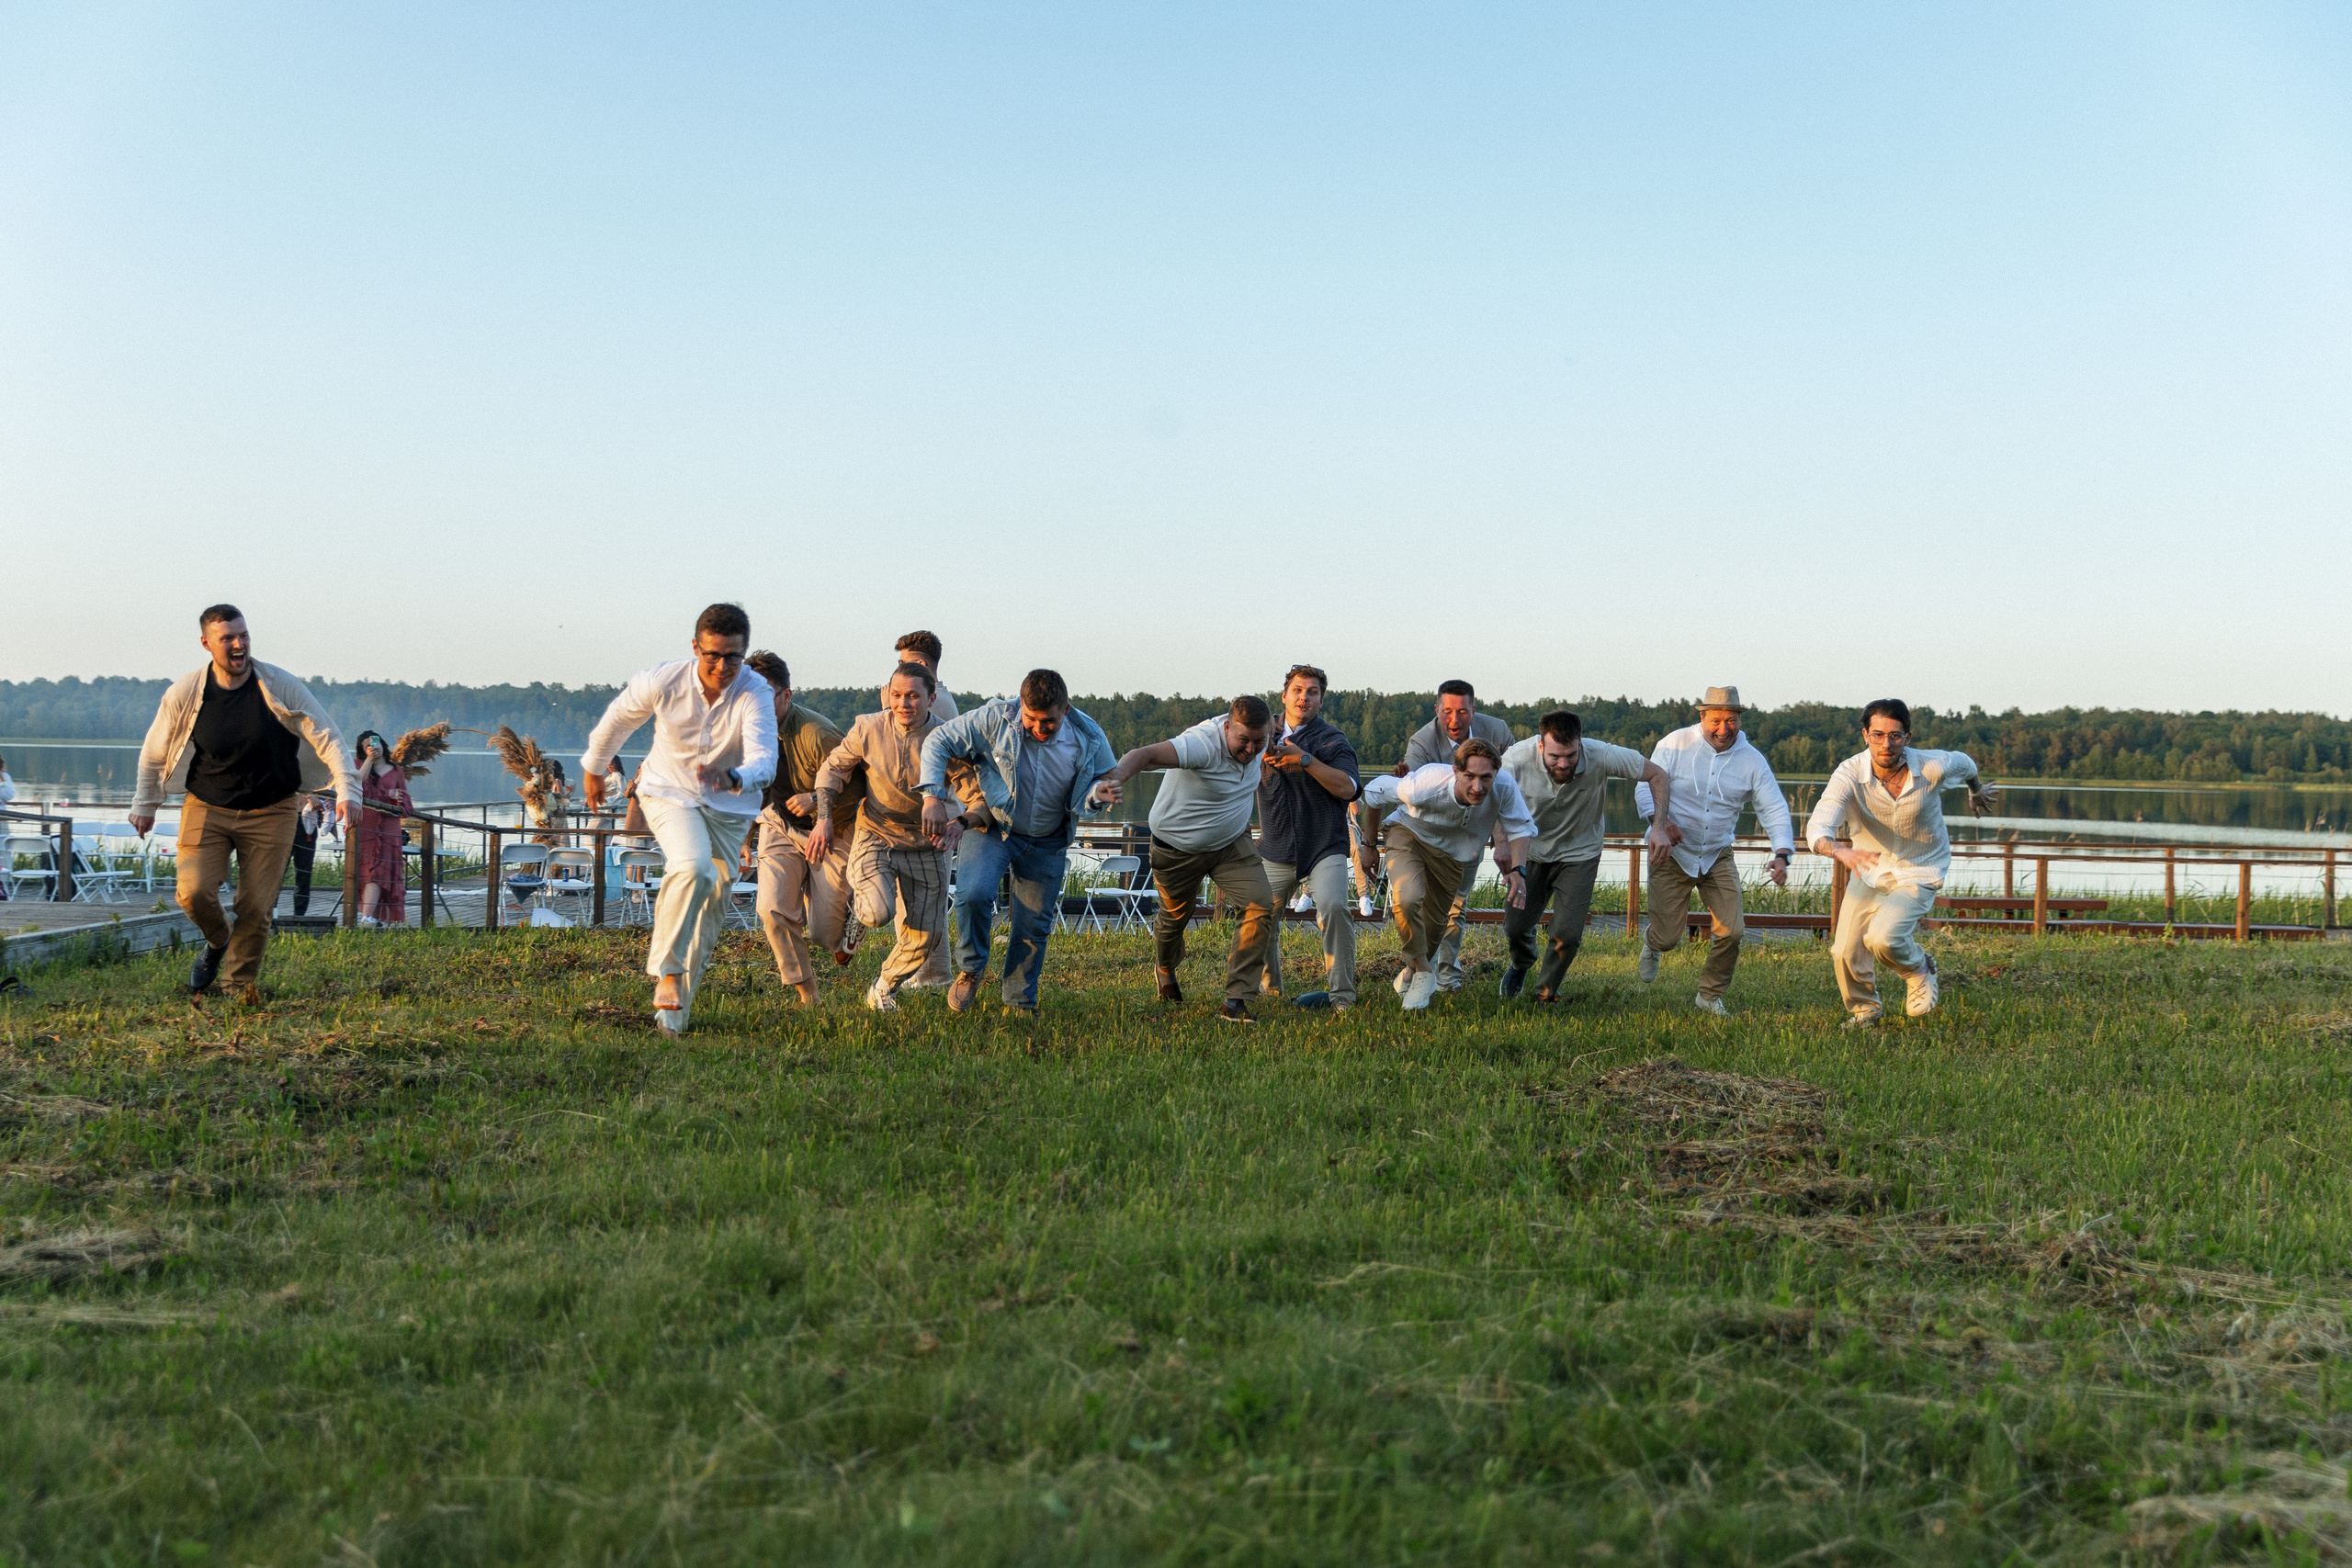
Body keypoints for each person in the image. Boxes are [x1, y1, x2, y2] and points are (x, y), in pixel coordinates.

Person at [130, 604, 358, 998]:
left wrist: (347, 788)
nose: (239, 645)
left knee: (256, 906)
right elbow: (154, 751)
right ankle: (218, 940)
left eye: (244, 635)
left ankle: (237, 989)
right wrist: (145, 804)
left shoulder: (279, 684)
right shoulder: (186, 693)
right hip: (207, 805)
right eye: (228, 638)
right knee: (193, 890)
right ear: (206, 644)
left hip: (272, 809)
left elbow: (328, 735)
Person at [581, 604, 776, 1036]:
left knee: (709, 915)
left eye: (733, 657)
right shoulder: (663, 680)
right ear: (695, 648)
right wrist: (594, 767)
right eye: (713, 655)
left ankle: (672, 1021)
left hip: (730, 807)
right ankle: (666, 970)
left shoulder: (754, 691)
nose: (723, 666)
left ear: (743, 653)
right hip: (668, 792)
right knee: (692, 867)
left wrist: (734, 775)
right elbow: (618, 719)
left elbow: (766, 758)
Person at [920, 668, 1120, 1015]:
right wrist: (933, 797)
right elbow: (938, 741)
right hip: (996, 827)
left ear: (1066, 710)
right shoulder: (995, 717)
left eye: (1049, 722)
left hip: (1048, 838)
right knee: (973, 894)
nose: (1039, 729)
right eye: (1031, 719)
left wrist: (1098, 795)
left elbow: (1101, 781)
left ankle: (1019, 1000)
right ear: (1020, 705)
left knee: (1033, 924)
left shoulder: (1089, 735)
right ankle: (971, 968)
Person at [1807, 699, 1998, 1025]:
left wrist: (1975, 790)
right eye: (1878, 735)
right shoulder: (1850, 774)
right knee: (1844, 952)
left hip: (1920, 869)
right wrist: (1842, 851)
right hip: (1867, 869)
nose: (1886, 743)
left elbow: (1967, 764)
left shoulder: (1932, 767)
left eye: (1895, 736)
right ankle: (1865, 1012)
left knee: (1883, 938)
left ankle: (1919, 968)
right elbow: (1818, 827)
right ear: (1865, 735)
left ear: (1908, 737)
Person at [1099, 695, 1279, 1023]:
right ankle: (1165, 968)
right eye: (1243, 741)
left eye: (1259, 741)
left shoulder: (1265, 735)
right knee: (1174, 919)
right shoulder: (1201, 744)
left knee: (1260, 903)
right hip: (1177, 848)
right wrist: (1115, 778)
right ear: (1227, 728)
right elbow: (1146, 754)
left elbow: (1281, 724)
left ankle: (1236, 1000)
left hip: (1230, 843)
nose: (1252, 750)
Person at [1633, 685, 1795, 1017]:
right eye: (1717, 720)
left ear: (1739, 719)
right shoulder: (1675, 744)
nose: (1724, 729)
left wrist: (1781, 853)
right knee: (1667, 937)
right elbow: (1644, 784)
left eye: (1731, 720)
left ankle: (1709, 995)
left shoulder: (1752, 760)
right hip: (1671, 852)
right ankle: (1653, 944)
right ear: (1703, 716)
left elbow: (1774, 808)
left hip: (1717, 853)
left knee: (1732, 930)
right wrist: (1659, 823)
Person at [1498, 711, 1679, 1002]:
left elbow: (1657, 774)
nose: (1563, 763)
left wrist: (1658, 827)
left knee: (1567, 934)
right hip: (1530, 851)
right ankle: (1521, 963)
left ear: (1580, 745)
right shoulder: (1515, 759)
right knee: (1515, 927)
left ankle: (1545, 993)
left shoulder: (1601, 754)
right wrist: (1502, 842)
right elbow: (1496, 796)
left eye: (1570, 755)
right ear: (1541, 746)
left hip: (1580, 853)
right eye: (1556, 756)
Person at [809, 663, 952, 1013]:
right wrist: (824, 817)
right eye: (897, 695)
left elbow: (970, 786)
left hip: (925, 843)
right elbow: (833, 768)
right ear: (888, 695)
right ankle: (861, 910)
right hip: (877, 833)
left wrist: (961, 821)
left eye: (913, 696)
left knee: (926, 937)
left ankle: (883, 987)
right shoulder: (868, 727)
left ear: (931, 698)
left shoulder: (947, 737)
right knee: (877, 912)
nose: (903, 703)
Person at [1359, 739, 1538, 1011]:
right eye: (1470, 776)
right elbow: (1373, 793)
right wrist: (1369, 846)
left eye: (1486, 777)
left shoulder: (1504, 786)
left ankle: (1411, 971)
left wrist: (1518, 870)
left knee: (1434, 930)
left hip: (1454, 857)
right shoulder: (1423, 785)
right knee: (1408, 898)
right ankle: (1423, 971)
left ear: (1496, 774)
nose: (1478, 787)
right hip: (1410, 836)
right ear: (1455, 771)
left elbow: (1520, 828)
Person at [742, 651, 859, 1006]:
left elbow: (860, 784)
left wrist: (816, 798)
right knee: (772, 908)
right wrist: (743, 838)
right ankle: (808, 994)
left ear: (786, 696)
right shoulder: (744, 734)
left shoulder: (817, 732)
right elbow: (745, 789)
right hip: (778, 825)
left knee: (825, 935)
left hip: (833, 828)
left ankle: (856, 911)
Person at [1385, 680, 1515, 992]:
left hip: (1470, 836)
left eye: (1462, 712)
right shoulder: (1422, 742)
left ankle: (1447, 978)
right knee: (1419, 901)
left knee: (1455, 908)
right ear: (1436, 710)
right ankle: (1416, 969)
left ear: (1474, 710)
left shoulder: (1497, 733)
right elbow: (1415, 794)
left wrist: (1501, 839)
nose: (1454, 721)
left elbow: (1507, 788)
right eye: (1447, 712)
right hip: (1428, 837)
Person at [1250, 664, 1363, 1010]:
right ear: (1284, 696)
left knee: (1334, 907)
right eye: (1298, 690)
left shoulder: (1331, 739)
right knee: (1259, 913)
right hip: (1275, 847)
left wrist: (1306, 760)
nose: (1304, 697)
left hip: (1323, 846)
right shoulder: (1260, 733)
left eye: (1312, 692)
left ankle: (1342, 997)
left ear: (1321, 701)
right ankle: (1271, 990)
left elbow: (1351, 788)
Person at [351, 731, 413, 928]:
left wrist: (400, 800)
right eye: (366, 746)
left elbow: (405, 798)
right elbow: (355, 784)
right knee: (369, 870)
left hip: (389, 827)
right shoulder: (358, 765)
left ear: (383, 745)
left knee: (382, 871)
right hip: (366, 826)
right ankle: (367, 917)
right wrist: (369, 759)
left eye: (374, 744)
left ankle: (368, 917)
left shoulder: (396, 771)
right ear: (362, 749)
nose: (372, 747)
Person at [288, 793, 331, 917]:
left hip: (309, 824)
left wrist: (328, 802)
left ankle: (300, 914)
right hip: (288, 819)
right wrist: (308, 796)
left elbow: (328, 791)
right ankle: (270, 912)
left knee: (304, 873)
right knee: (278, 871)